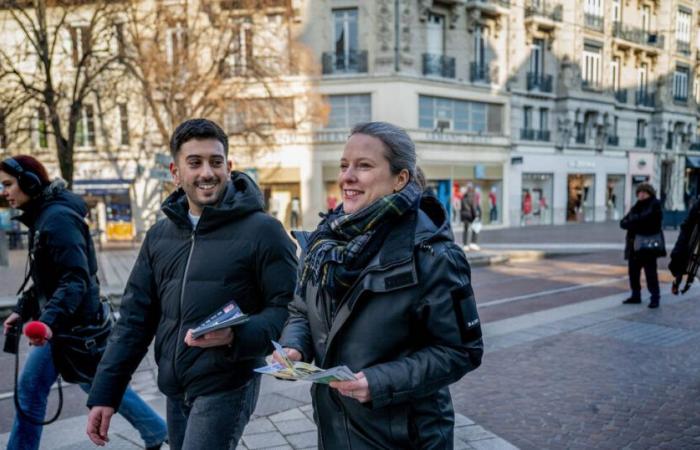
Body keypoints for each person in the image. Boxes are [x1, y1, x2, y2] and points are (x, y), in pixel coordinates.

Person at [86, 119, 298, 450]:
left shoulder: (264, 231)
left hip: (227, 384)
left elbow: (289, 310)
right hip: (174, 387)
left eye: (215, 162)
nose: (207, 173)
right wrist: (106, 393)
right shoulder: (159, 235)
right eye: (194, 162)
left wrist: (235, 336)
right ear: (176, 171)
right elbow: (134, 321)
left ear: (229, 167)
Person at [273, 122, 483, 449]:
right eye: (344, 165)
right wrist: (293, 347)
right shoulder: (323, 243)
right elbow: (302, 309)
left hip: (403, 437)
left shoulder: (434, 256)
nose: (347, 176)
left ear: (401, 179)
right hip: (335, 429)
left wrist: (380, 382)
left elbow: (461, 351)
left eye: (364, 166)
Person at [0, 155, 167, 450]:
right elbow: (46, 280)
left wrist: (46, 322)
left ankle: (156, 430)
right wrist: (20, 312)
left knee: (34, 393)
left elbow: (75, 278)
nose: (4, 192)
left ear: (30, 182)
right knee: (94, 383)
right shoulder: (44, 216)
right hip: (67, 323)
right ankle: (155, 430)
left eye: (8, 184)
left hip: (70, 328)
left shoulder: (57, 219)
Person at [620, 183, 664, 309]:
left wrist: (633, 223)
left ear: (650, 193)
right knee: (633, 273)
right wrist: (635, 222)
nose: (641, 194)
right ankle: (636, 295)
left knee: (650, 273)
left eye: (644, 192)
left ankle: (655, 297)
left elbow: (652, 225)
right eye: (639, 192)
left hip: (647, 247)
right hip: (633, 247)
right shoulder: (636, 207)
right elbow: (623, 223)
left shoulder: (655, 206)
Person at [669, 199, 700, 294]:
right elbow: (688, 224)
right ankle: (678, 281)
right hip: (692, 239)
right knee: (684, 258)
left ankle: (685, 281)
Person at [461, 185, 480, 250]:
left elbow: (462, 206)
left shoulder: (464, 196)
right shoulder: (473, 196)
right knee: (475, 229)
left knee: (465, 230)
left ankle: (465, 245)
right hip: (470, 215)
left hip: (464, 215)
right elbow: (473, 207)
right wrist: (476, 216)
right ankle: (473, 244)